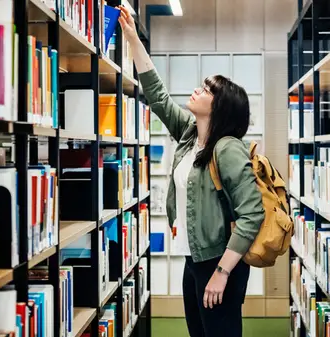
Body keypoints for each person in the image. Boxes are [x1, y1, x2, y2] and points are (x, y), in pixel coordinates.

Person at [118, 7, 265, 337]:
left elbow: (252, 214)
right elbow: (157, 95)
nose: (198, 90)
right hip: (193, 257)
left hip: (218, 262)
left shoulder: (227, 147)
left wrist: (223, 272)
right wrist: (133, 40)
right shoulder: (189, 134)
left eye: (208, 90)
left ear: (220, 107)